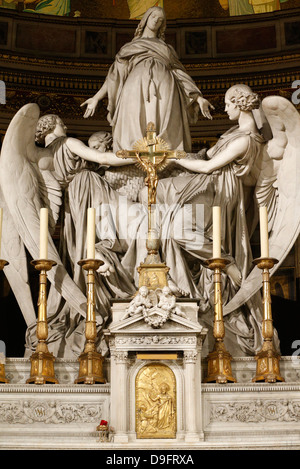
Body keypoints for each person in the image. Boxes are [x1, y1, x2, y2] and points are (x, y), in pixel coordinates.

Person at [152, 84, 275, 355]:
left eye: (229, 104)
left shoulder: (246, 138)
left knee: (179, 230)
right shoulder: (233, 133)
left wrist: (175, 156)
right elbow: (206, 156)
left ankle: (226, 261)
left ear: (240, 103)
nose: (226, 109)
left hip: (219, 190)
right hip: (206, 186)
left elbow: (209, 166)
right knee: (159, 205)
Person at [27, 114, 138, 357]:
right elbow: (100, 157)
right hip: (88, 188)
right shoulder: (67, 143)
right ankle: (109, 258)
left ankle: (96, 279)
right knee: (123, 227)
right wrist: (135, 155)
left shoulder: (40, 158)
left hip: (71, 207)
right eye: (62, 122)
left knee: (83, 245)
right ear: (54, 125)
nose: (65, 125)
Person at [81, 6, 214, 153]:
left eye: (161, 19)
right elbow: (114, 77)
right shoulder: (130, 47)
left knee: (165, 122)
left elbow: (179, 74)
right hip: (134, 85)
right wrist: (96, 98)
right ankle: (132, 155)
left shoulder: (167, 48)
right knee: (133, 121)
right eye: (153, 16)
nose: (156, 21)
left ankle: (166, 157)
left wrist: (198, 98)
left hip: (165, 86)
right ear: (145, 19)